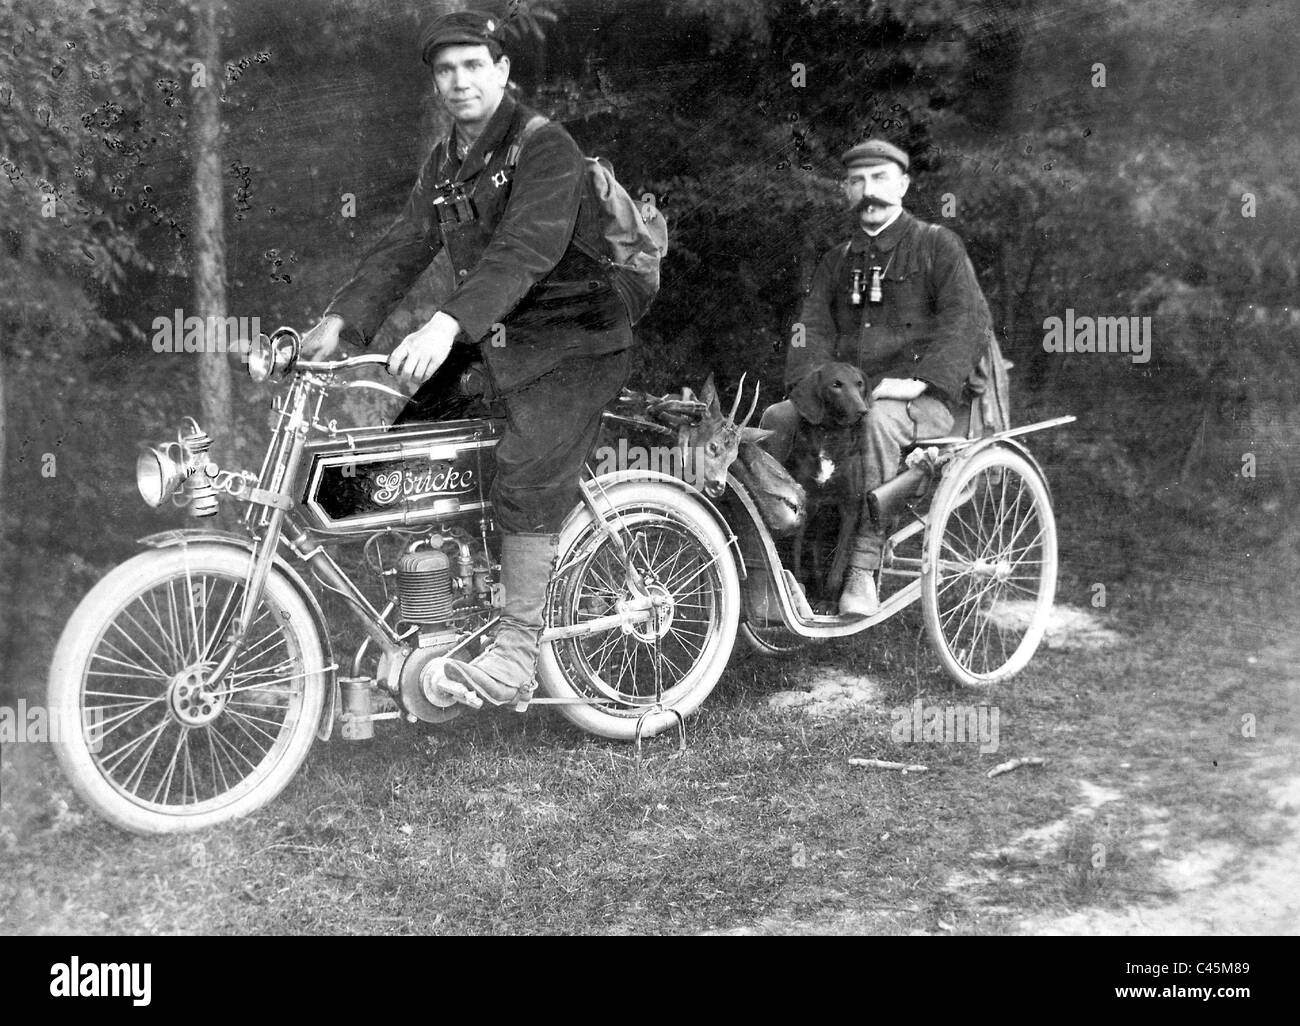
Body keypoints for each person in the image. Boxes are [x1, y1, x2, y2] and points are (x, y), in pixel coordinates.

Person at [299, 10, 634, 706]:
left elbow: (524, 250)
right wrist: (341, 321)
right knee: (403, 461)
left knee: (524, 470)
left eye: (473, 65)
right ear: (435, 84)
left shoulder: (546, 148)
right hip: (495, 337)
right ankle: (433, 623)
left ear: (503, 71)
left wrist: (445, 324)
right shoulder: (446, 160)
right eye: (445, 70)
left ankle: (515, 651)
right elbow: (404, 246)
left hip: (576, 340)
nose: (459, 82)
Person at [760, 139, 992, 616]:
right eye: (858, 181)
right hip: (848, 400)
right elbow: (812, 330)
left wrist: (922, 380)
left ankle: (863, 570)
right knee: (777, 418)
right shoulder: (838, 261)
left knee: (878, 422)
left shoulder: (936, 245)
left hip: (927, 403)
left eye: (881, 178)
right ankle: (770, 566)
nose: (870, 191)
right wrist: (809, 395)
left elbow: (966, 320)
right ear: (846, 190)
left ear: (904, 184)